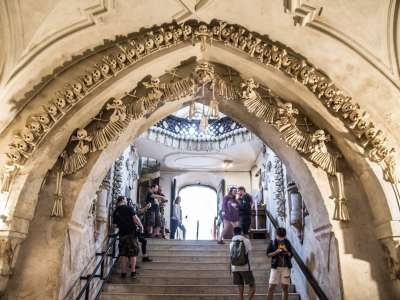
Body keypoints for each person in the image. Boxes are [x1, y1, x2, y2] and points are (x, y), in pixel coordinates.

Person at [113, 196, 143, 278]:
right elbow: (135, 219)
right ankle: (133, 272)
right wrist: (141, 226)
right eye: (126, 200)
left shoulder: (115, 211)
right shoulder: (129, 208)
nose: (126, 201)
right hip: (131, 233)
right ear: (123, 200)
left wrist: (122, 225)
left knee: (124, 254)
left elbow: (115, 225)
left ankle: (123, 273)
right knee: (133, 254)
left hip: (122, 234)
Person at [266, 227, 293, 300]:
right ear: (276, 235)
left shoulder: (287, 242)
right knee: (271, 287)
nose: (281, 238)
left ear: (285, 236)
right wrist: (276, 252)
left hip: (286, 268)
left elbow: (291, 255)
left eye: (282, 237)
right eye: (279, 237)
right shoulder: (272, 242)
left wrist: (287, 251)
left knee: (285, 287)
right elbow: (268, 254)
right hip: (275, 267)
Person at [230, 226, 255, 300]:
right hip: (245, 267)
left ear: (233, 233)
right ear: (241, 232)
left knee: (240, 287)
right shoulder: (246, 240)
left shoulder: (231, 243)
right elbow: (250, 252)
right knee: (252, 286)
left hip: (234, 268)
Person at [127, 198, 153, 262]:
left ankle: (144, 256)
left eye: (131, 202)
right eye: (129, 202)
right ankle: (133, 263)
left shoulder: (131, 208)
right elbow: (139, 212)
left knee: (143, 241)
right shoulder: (128, 209)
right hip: (131, 230)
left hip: (136, 229)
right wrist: (146, 207)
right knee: (133, 247)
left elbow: (138, 212)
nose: (130, 203)